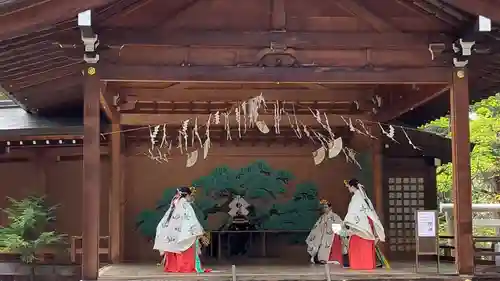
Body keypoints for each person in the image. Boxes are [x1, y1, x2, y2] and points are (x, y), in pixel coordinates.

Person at [153, 186, 211, 273]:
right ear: (187, 195)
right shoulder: (186, 205)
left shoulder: (174, 204)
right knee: (185, 243)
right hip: (183, 233)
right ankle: (184, 267)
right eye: (190, 195)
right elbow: (191, 221)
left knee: (173, 246)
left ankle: (173, 267)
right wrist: (200, 233)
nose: (191, 197)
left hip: (172, 233)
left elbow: (165, 220)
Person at [343, 178, 385, 270]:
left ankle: (360, 264)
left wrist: (348, 223)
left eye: (348, 187)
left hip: (360, 225)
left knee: (356, 242)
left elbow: (353, 213)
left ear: (352, 187)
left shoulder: (356, 197)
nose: (348, 189)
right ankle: (367, 264)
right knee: (365, 242)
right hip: (366, 223)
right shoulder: (363, 196)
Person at [306, 199, 344, 264]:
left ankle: (326, 258)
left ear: (330, 207)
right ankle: (318, 258)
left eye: (326, 207)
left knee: (325, 242)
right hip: (321, 235)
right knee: (317, 241)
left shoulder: (335, 216)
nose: (324, 209)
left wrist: (329, 227)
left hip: (331, 235)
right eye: (324, 207)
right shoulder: (322, 217)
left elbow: (340, 226)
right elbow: (316, 226)